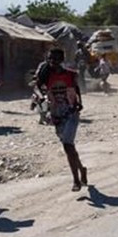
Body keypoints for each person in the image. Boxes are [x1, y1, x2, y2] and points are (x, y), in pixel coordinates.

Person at [37, 48, 87, 192]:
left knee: (67, 146)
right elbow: (37, 87)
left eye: (56, 59)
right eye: (50, 58)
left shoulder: (70, 74)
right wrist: (41, 97)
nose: (53, 61)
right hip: (56, 114)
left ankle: (76, 180)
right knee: (70, 148)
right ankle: (82, 169)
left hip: (71, 113)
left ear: (62, 60)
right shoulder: (46, 74)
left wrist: (79, 102)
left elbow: (76, 89)